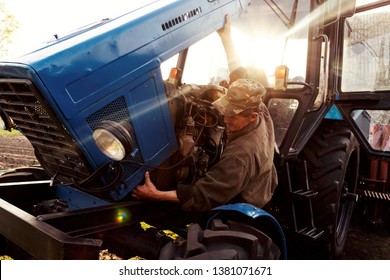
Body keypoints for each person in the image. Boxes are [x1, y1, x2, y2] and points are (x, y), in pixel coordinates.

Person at [131, 78, 278, 212]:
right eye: (226, 111)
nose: (226, 120)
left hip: (247, 204)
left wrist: (157, 195)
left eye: (233, 116)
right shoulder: (259, 106)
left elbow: (204, 195)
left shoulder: (240, 155)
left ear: (252, 117)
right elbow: (242, 79)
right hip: (262, 181)